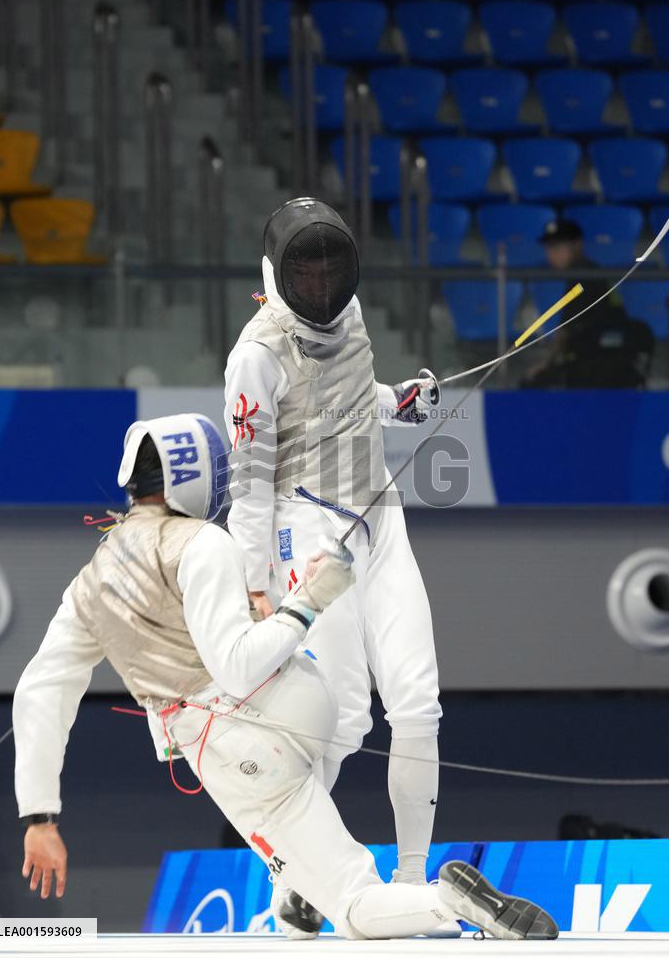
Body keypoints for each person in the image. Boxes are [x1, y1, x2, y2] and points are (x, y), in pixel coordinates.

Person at [12, 413, 558, 942]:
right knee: (303, 840)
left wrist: (40, 815)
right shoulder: (205, 542)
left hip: (240, 744)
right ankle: (298, 890)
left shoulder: (93, 581)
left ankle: (444, 901)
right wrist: (309, 599)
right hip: (303, 697)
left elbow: (43, 690)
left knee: (354, 906)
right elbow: (247, 658)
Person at [223, 198, 443, 922]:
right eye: (305, 271)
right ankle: (296, 882)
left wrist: (401, 404)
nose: (320, 283)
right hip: (309, 529)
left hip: (382, 516)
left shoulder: (348, 316)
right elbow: (249, 482)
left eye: (330, 268)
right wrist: (256, 587)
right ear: (277, 273)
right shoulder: (256, 356)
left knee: (417, 697)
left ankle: (410, 884)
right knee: (339, 717)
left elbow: (348, 397)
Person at [522, 219, 653, 389]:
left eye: (558, 246)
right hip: (604, 357)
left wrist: (546, 364)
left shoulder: (582, 273)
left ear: (577, 245)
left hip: (599, 362)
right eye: (549, 247)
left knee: (532, 383)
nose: (551, 254)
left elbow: (565, 330)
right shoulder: (590, 270)